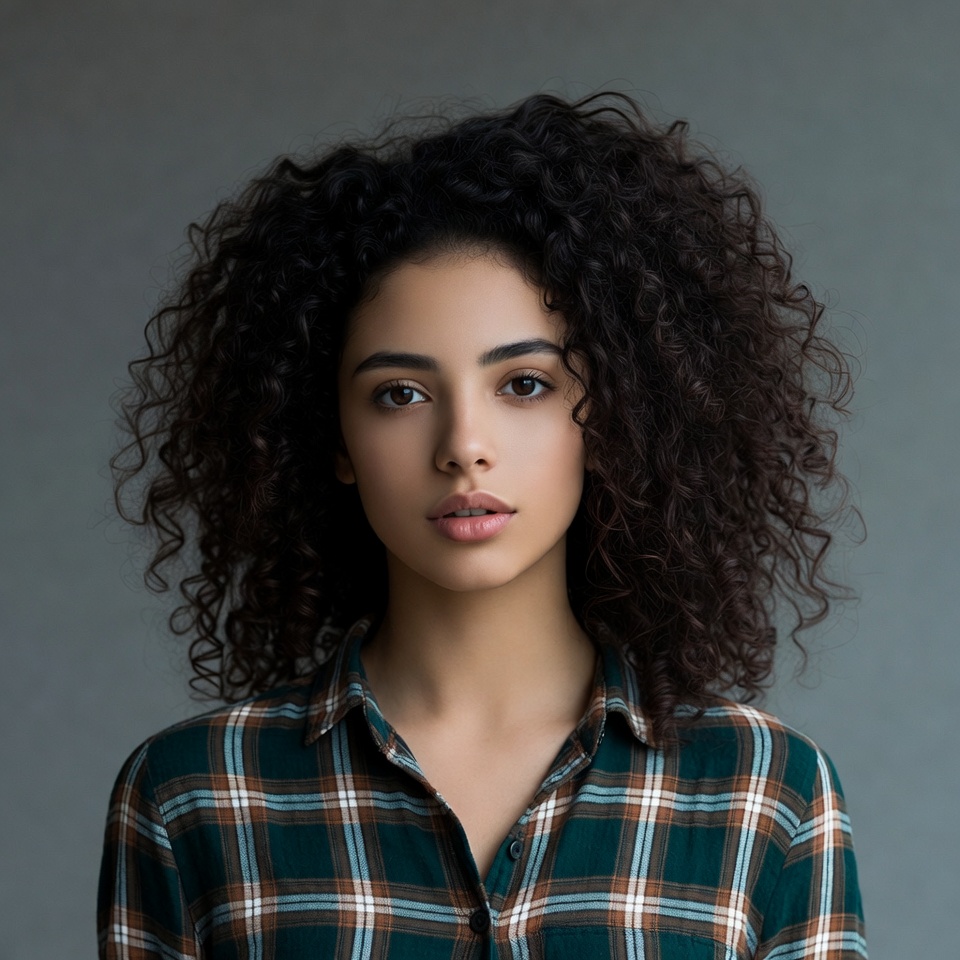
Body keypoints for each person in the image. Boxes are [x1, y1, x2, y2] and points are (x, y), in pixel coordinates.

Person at [99, 91, 867, 958]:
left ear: (612, 415)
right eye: (401, 395)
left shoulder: (765, 791)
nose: (464, 447)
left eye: (525, 385)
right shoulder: (193, 795)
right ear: (335, 439)